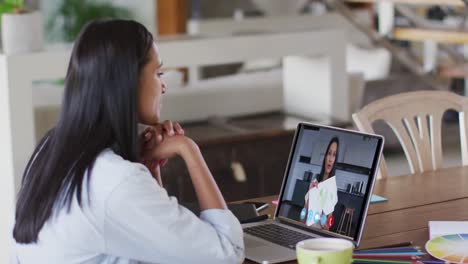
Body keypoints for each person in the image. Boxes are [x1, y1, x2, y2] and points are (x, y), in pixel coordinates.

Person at [12, 19, 244, 264]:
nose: (163, 86)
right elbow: (227, 253)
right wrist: (189, 150)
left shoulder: (51, 149)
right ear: (127, 82)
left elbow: (160, 246)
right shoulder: (115, 180)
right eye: (158, 73)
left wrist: (150, 168)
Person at [302, 137, 339, 230]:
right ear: (325, 156)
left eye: (334, 155)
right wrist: (309, 197)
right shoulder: (315, 182)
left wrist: (323, 218)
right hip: (305, 231)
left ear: (335, 160)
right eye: (329, 153)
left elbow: (327, 228)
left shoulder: (332, 189)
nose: (330, 159)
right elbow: (301, 220)